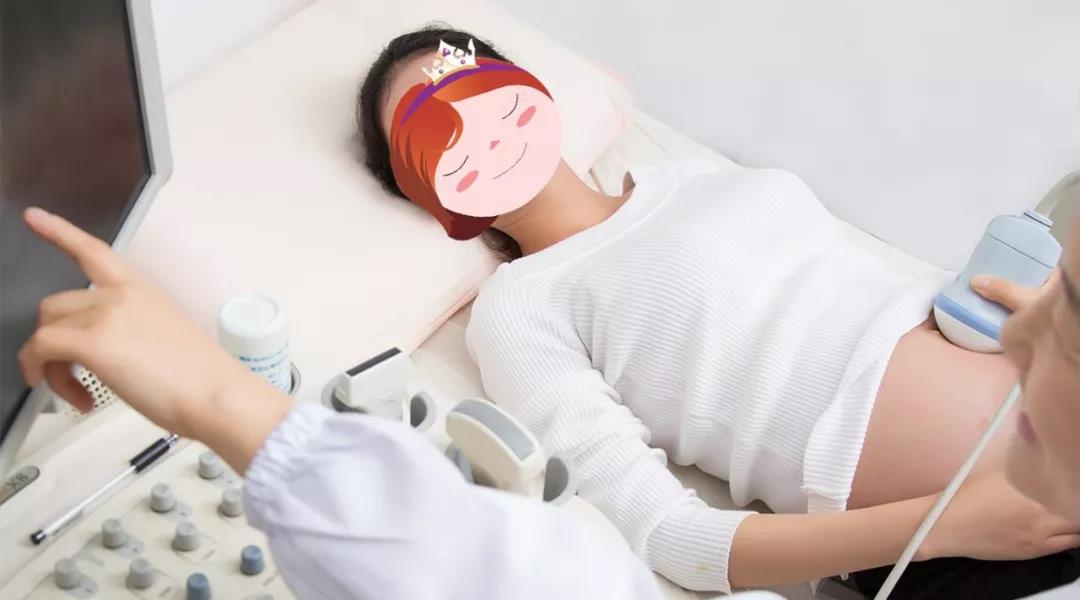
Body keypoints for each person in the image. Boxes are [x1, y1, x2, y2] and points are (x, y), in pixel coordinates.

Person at [356, 27, 1080, 593]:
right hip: (994, 543)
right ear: (428, 195)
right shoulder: (520, 306)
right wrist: (945, 528)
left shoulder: (690, 176)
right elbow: (668, 536)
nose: (475, 126)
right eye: (434, 131)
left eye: (471, 85)